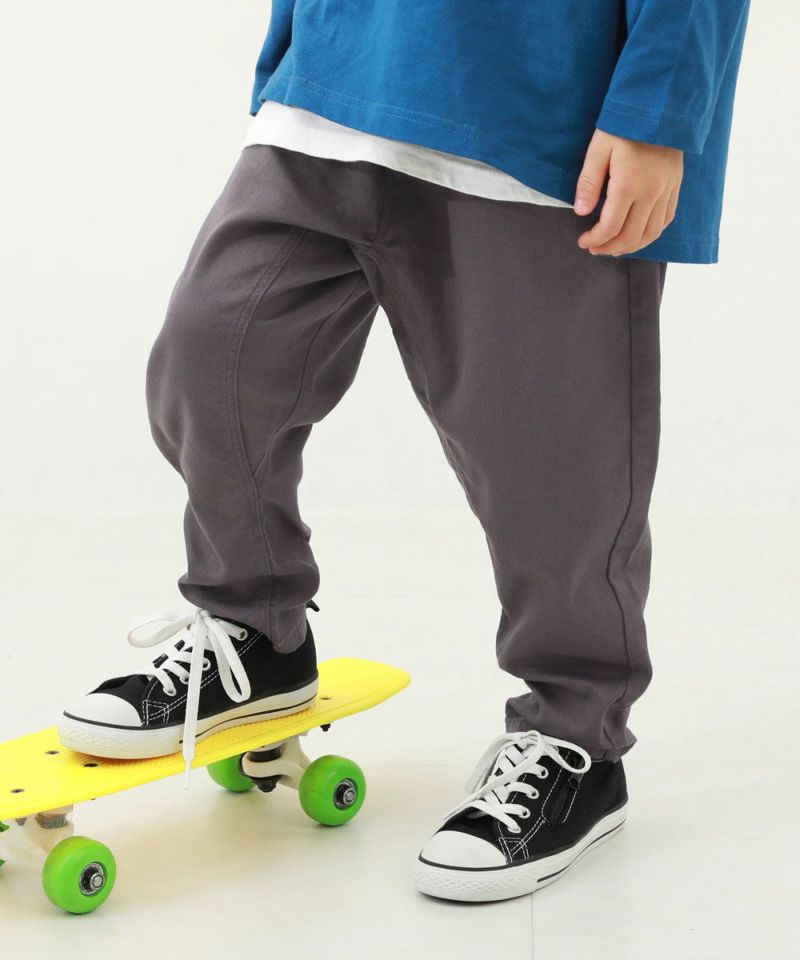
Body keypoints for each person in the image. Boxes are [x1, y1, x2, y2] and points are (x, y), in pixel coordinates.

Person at [58, 1, 751, 902]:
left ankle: (574, 738)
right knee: (211, 356)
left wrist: (659, 111)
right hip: (337, 83)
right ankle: (254, 630)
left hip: (542, 112)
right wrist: (293, 43)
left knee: (549, 473)